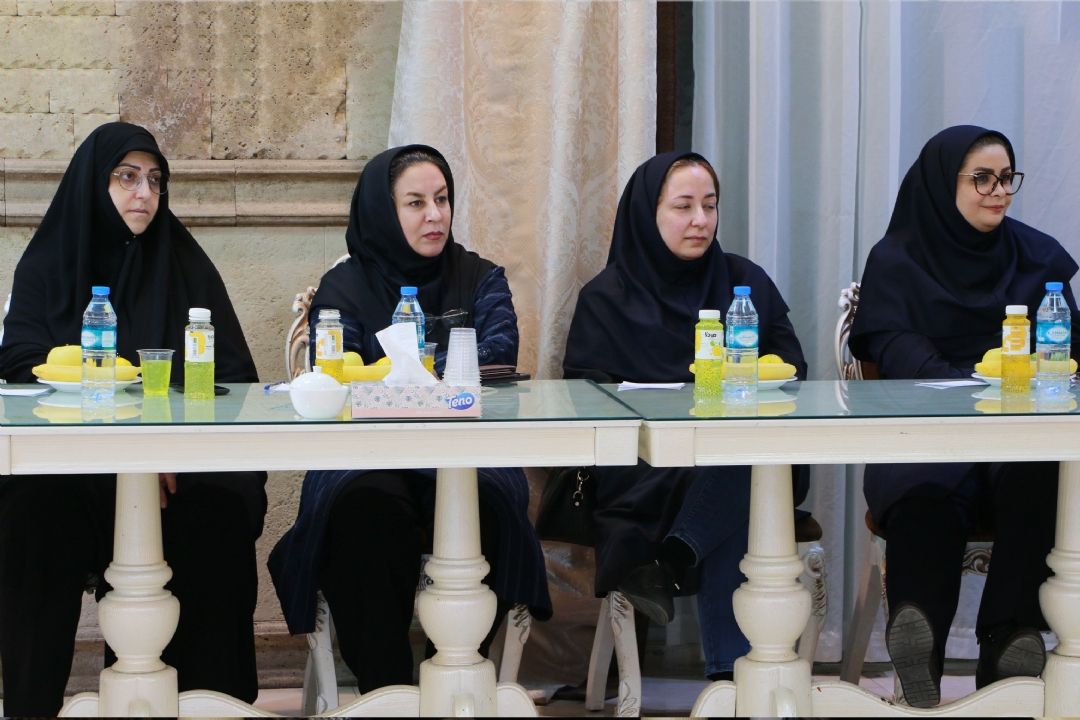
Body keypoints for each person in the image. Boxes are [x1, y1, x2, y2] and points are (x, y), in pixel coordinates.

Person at [0, 122, 267, 715]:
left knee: (220, 508)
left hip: (177, 472)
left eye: (154, 180)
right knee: (30, 516)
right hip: (74, 473)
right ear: (94, 184)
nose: (144, 193)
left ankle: (207, 703)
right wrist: (116, 455)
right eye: (126, 177)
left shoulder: (185, 264)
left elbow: (233, 379)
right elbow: (19, 362)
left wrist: (167, 450)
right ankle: (30, 706)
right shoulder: (49, 264)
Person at [268, 144, 551, 691]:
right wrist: (436, 373)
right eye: (416, 203)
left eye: (442, 199)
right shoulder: (343, 288)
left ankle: (457, 677)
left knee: (490, 509)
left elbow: (496, 359)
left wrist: (394, 372)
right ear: (383, 210)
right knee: (364, 515)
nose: (435, 215)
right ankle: (388, 690)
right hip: (364, 456)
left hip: (467, 453)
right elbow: (334, 375)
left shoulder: (480, 278)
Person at [849, 125, 1079, 707]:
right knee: (924, 484)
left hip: (1014, 441)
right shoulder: (897, 260)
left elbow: (1069, 349)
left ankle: (1008, 640)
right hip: (930, 433)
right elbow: (894, 348)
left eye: (1006, 178)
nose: (998, 191)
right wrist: (972, 387)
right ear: (940, 183)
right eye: (982, 178)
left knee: (1042, 474)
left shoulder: (1037, 257)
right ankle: (920, 643)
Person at [562, 151, 808, 680]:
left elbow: (794, 369)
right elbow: (584, 396)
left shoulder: (744, 282)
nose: (700, 220)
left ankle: (671, 562)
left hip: (736, 454)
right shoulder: (607, 297)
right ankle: (733, 681)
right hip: (644, 468)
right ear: (647, 213)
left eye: (710, 206)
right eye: (683, 206)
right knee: (745, 483)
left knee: (743, 463)